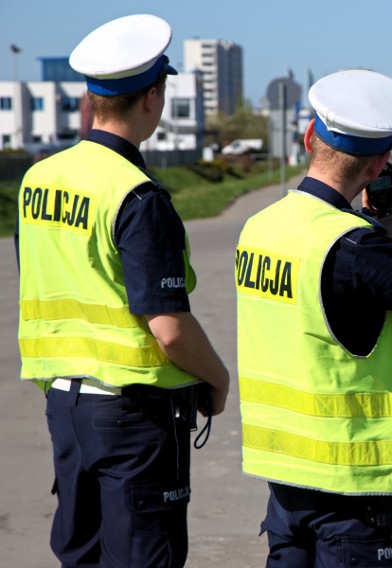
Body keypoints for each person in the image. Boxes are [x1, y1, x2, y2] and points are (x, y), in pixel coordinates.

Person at [16, 14, 230, 568]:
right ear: (153, 99)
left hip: (64, 407)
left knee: (80, 555)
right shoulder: (137, 196)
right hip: (132, 420)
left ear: (90, 99)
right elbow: (169, 327)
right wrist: (217, 377)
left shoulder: (38, 179)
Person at [235, 69, 392, 567]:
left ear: (309, 138)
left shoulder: (258, 228)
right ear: (380, 163)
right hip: (356, 491)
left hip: (285, 482)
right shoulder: (359, 247)